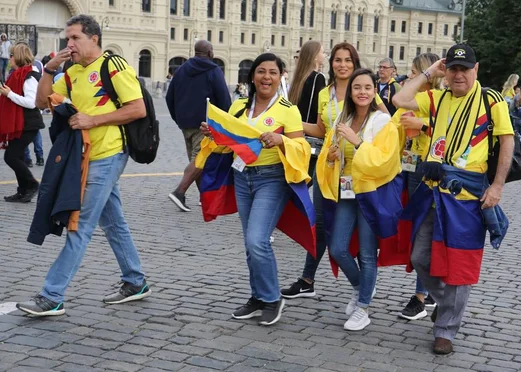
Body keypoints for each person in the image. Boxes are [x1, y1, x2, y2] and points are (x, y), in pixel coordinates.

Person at [16, 14, 151, 317]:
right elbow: (41, 102)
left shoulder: (112, 66)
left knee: (80, 225)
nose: (70, 44)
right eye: (67, 39)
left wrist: (94, 119)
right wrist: (49, 69)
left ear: (94, 39)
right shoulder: (72, 70)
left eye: (75, 38)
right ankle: (135, 281)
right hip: (87, 155)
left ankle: (52, 295)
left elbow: (137, 108)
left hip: (110, 153)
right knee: (113, 220)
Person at [393, 44, 514, 354]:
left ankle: (445, 329)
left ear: (476, 69)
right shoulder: (437, 97)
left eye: (465, 68)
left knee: (460, 265)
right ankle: (447, 302)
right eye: (453, 69)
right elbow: (399, 99)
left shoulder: (492, 100)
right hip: (434, 188)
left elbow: (506, 142)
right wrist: (428, 73)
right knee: (420, 256)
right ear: (446, 72)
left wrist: (497, 186)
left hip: (469, 194)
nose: (459, 74)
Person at [200, 53, 307, 326]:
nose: (266, 77)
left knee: (257, 240)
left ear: (281, 75)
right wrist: (213, 134)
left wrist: (281, 139)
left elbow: (302, 148)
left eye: (272, 72)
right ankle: (258, 296)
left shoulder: (287, 109)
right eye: (261, 71)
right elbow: (228, 144)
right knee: (251, 243)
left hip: (272, 179)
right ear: (253, 76)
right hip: (242, 177)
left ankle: (272, 298)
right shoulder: (238, 106)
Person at [280, 42, 388, 299]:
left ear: (355, 62)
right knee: (319, 222)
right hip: (327, 168)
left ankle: (364, 282)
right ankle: (307, 279)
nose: (342, 65)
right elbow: (321, 129)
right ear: (331, 64)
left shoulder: (363, 91)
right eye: (338, 60)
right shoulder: (324, 93)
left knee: (358, 230)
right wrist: (292, 123)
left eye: (347, 60)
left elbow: (386, 125)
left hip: (358, 172)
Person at [316, 68, 400, 330]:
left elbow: (386, 161)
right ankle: (361, 287)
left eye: (367, 87)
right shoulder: (344, 118)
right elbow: (329, 155)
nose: (362, 92)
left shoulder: (383, 122)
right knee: (338, 248)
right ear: (350, 92)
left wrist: (358, 142)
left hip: (370, 193)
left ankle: (363, 307)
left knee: (366, 253)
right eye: (357, 88)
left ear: (375, 91)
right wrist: (330, 157)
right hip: (346, 191)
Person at [391, 53, 444, 321]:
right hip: (411, 168)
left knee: (425, 233)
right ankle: (430, 290)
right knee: (419, 231)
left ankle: (421, 297)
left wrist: (422, 125)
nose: (410, 76)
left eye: (414, 71)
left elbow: (449, 131)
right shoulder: (417, 98)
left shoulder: (439, 99)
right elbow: (397, 102)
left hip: (430, 170)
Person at [166, 40, 231, 212]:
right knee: (200, 159)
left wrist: (177, 118)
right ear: (210, 53)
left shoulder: (180, 70)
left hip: (184, 123)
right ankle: (180, 192)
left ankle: (205, 197)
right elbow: (224, 99)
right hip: (204, 125)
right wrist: (225, 121)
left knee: (196, 159)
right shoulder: (213, 71)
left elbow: (169, 97)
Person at [0, 43, 44, 203]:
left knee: (10, 157)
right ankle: (22, 191)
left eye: (11, 55)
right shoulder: (18, 74)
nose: (9, 58)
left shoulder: (29, 75)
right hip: (22, 123)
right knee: (16, 155)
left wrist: (9, 94)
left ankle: (31, 184)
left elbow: (31, 103)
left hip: (29, 123)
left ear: (17, 57)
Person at [287, 40, 327, 177]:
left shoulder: (298, 78)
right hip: (310, 137)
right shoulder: (318, 77)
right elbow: (315, 108)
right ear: (315, 56)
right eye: (323, 52)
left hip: (294, 135)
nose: (325, 55)